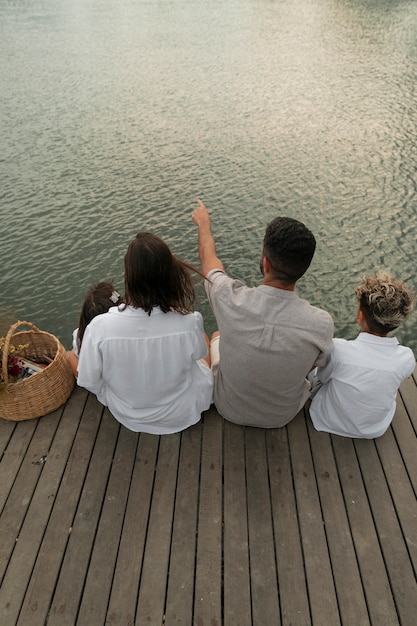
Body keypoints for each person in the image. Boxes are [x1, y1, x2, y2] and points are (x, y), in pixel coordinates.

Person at [191, 199, 334, 428]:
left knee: (217, 335)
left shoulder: (228, 297)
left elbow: (208, 260)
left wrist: (204, 224)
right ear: (303, 270)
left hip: (228, 408)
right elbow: (312, 365)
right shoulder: (321, 323)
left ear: (265, 263)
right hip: (281, 417)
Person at [76, 232, 214, 435]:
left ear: (129, 277)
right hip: (181, 413)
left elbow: (89, 381)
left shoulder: (99, 327)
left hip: (126, 415)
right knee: (204, 341)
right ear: (170, 274)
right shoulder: (188, 322)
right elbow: (199, 356)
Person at [309, 271, 416, 439]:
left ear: (360, 315)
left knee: (316, 371)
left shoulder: (338, 349)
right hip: (375, 429)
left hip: (327, 420)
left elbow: (323, 379)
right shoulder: (406, 357)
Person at [68, 281, 121, 377]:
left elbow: (78, 368)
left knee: (72, 355)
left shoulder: (80, 336)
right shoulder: (121, 336)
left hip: (96, 384)